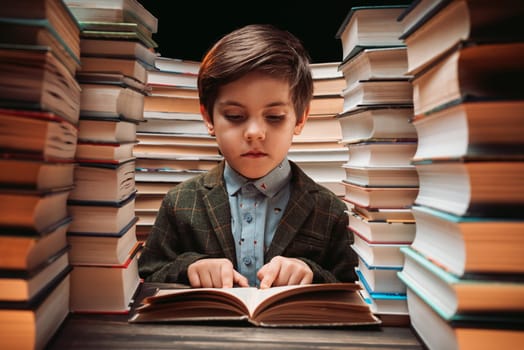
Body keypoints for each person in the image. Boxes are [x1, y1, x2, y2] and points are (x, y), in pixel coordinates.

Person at [138, 23, 358, 289]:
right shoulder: (179, 202)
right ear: (208, 118)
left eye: (274, 117)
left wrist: (311, 272)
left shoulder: (330, 210)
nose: (255, 133)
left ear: (300, 119)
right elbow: (149, 273)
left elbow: (351, 285)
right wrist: (189, 267)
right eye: (235, 117)